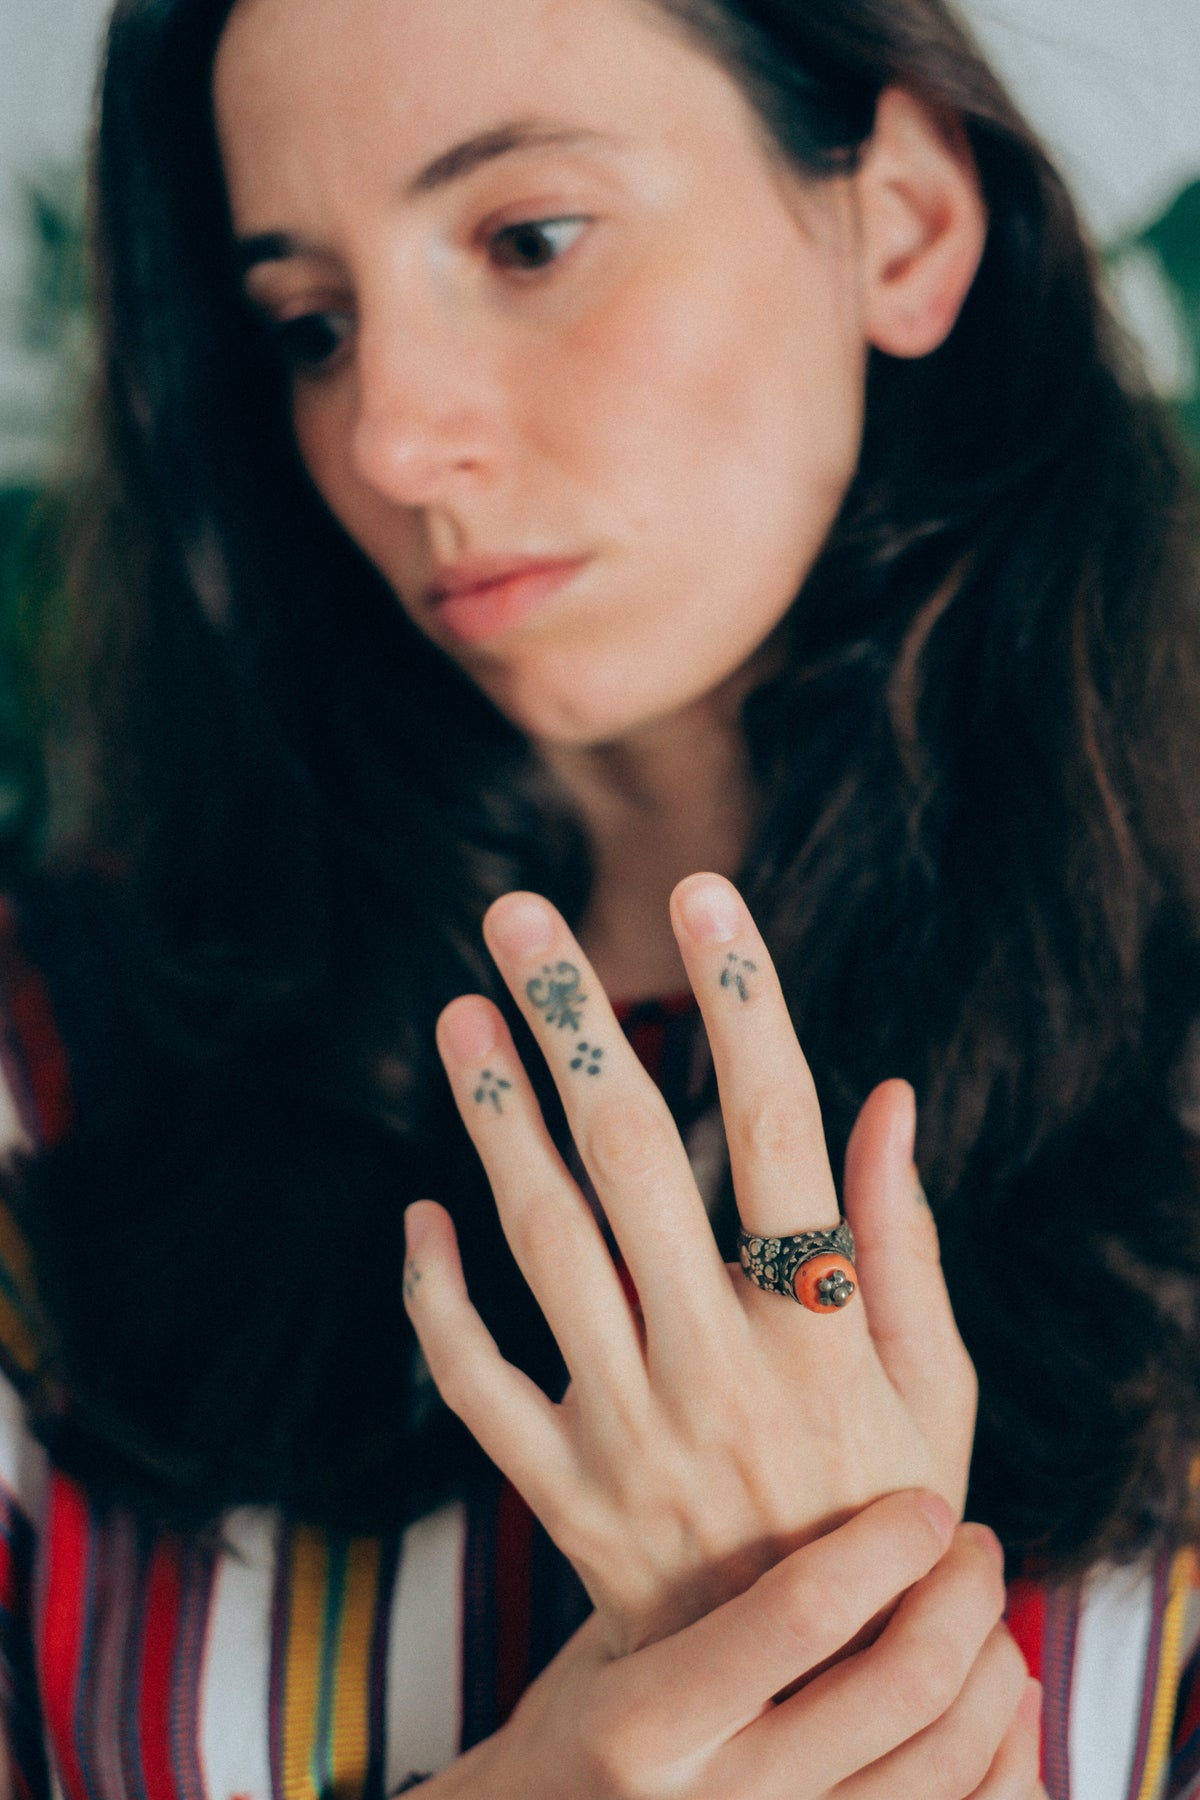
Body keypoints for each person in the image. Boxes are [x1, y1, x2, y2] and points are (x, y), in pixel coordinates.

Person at [0, 0, 1197, 1792]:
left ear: (907, 221)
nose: (393, 439)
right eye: (309, 327)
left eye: (529, 239)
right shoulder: (53, 1064)